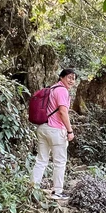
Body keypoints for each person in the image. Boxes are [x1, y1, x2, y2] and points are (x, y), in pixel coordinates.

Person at [31, 68, 76, 199]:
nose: (72, 81)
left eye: (74, 78)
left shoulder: (51, 89)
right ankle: (57, 192)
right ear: (61, 77)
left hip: (43, 128)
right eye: (69, 77)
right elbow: (63, 112)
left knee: (41, 160)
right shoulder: (62, 91)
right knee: (60, 162)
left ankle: (33, 188)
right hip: (56, 130)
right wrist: (70, 131)